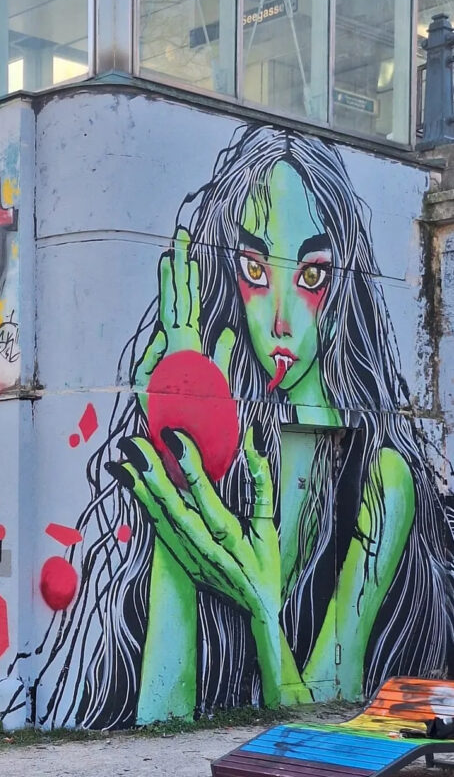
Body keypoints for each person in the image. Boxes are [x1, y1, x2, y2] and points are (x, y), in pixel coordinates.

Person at [35, 124, 452, 730]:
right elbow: (160, 717)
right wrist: (179, 450)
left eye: (311, 277)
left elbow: (320, 706)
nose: (280, 320)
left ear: (341, 287)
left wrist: (259, 604)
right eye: (255, 271)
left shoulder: (383, 479)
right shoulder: (229, 445)